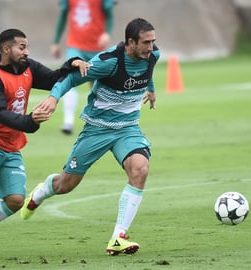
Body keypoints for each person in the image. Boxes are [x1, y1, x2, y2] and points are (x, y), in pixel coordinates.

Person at [0, 28, 89, 261]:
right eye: (22, 47)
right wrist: (30, 121)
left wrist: (72, 62)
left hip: (11, 146)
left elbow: (53, 78)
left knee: (15, 201)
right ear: (6, 49)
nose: (26, 51)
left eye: (27, 46)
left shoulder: (28, 67)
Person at [21, 18, 159, 255]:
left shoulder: (152, 55)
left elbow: (148, 70)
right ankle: (41, 192)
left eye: (153, 41)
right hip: (96, 129)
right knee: (66, 185)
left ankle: (118, 237)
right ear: (130, 42)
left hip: (127, 129)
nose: (151, 47)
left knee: (140, 169)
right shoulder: (108, 62)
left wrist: (151, 90)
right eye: (146, 42)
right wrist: (54, 98)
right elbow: (72, 77)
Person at [51, 0, 116, 135]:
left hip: (96, 47)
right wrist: (56, 41)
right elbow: (63, 14)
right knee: (70, 76)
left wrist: (107, 33)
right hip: (75, 46)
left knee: (98, 85)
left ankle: (100, 120)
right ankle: (68, 121)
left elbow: (109, 14)